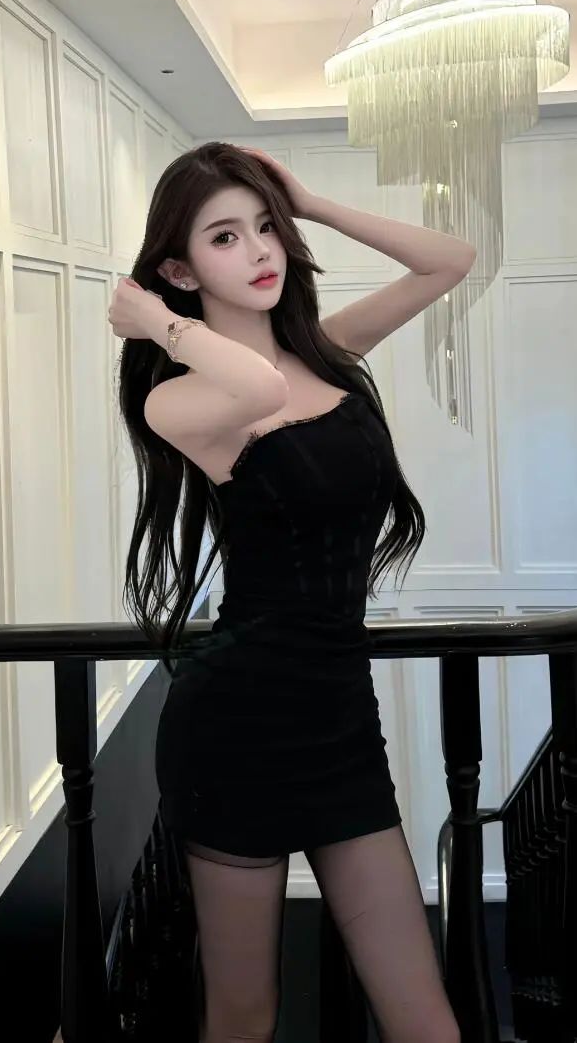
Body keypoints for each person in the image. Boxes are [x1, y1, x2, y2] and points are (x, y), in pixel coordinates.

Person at [107, 140, 474, 1043]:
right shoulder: (177, 403)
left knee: (425, 1017)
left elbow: (451, 260)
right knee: (244, 1016)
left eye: (265, 227)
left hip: (341, 719)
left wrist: (310, 201)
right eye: (225, 237)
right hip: (236, 729)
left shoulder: (330, 352)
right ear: (178, 269)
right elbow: (258, 384)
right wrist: (158, 325)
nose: (261, 250)